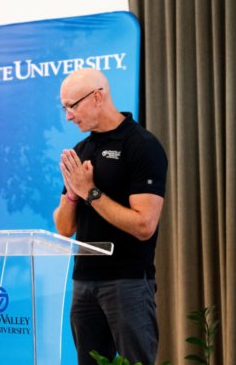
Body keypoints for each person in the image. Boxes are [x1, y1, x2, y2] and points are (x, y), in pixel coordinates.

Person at [53, 68, 168, 364]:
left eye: (72, 106)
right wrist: (72, 194)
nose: (68, 116)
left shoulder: (142, 145)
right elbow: (65, 228)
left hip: (127, 281)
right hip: (84, 283)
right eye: (64, 107)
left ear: (98, 97)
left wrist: (90, 191)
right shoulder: (81, 151)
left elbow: (144, 225)